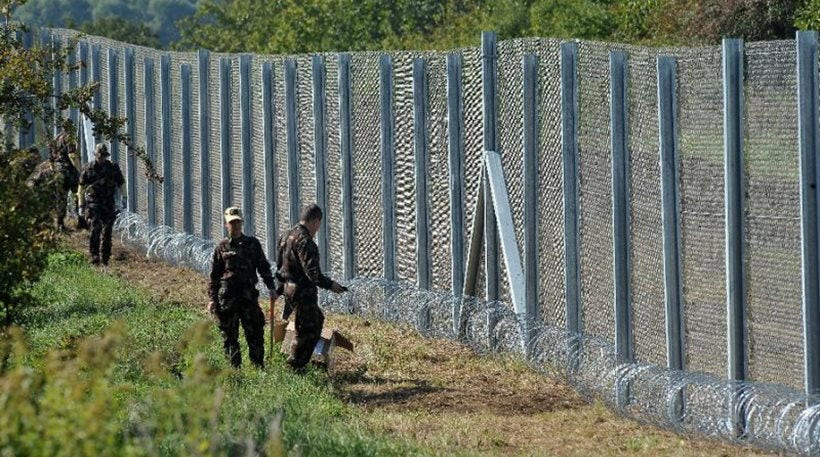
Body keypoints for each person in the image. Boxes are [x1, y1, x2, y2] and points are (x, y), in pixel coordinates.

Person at [274, 203, 347, 372]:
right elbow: (313, 274)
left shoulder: (286, 236)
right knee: (310, 327)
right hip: (302, 292)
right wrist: (332, 285)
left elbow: (280, 268)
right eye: (318, 224)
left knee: (305, 325)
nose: (317, 229)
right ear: (314, 221)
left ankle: (295, 360)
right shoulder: (305, 242)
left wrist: (278, 290)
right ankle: (296, 365)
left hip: (289, 289)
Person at [208, 207, 275, 368]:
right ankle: (234, 371)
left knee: (255, 333)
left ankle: (258, 366)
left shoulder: (252, 244)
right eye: (232, 223)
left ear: (242, 223)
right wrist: (211, 299)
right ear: (226, 225)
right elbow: (215, 275)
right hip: (228, 300)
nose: (236, 225)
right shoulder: (222, 247)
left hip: (248, 297)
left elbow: (263, 266)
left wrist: (271, 287)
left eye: (238, 222)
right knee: (230, 337)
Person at [78, 143, 126, 265]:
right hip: (94, 202)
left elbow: (121, 183)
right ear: (96, 155)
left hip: (108, 202)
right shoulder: (88, 168)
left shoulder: (113, 168)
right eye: (100, 156)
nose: (102, 158)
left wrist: (124, 198)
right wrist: (80, 205)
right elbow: (81, 187)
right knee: (95, 227)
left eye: (104, 156)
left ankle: (105, 256)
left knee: (108, 229)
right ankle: (94, 255)